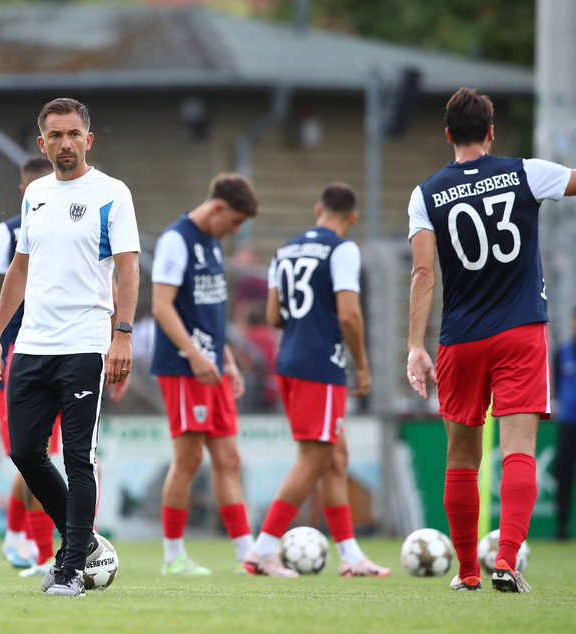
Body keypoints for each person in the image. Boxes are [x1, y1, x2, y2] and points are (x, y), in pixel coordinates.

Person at [407, 87, 576, 593]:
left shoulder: (426, 194)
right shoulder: (526, 172)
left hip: (459, 339)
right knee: (519, 448)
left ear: (447, 135)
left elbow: (422, 273)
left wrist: (415, 346)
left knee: (461, 456)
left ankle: (466, 572)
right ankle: (506, 561)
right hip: (521, 330)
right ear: (491, 132)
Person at [0, 97, 140, 597]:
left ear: (88, 140)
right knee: (24, 450)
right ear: (41, 142)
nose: (65, 143)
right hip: (30, 343)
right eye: (56, 135)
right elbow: (19, 269)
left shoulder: (112, 193)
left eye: (74, 134)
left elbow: (130, 268)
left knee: (77, 456)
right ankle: (85, 540)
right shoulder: (36, 196)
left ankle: (69, 566)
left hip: (85, 343)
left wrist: (123, 334)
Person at [242, 183, 390, 578]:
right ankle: (262, 551)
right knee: (313, 460)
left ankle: (351, 556)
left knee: (335, 458)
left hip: (289, 361)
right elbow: (350, 316)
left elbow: (273, 317)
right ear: (352, 218)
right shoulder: (343, 249)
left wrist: (303, 325)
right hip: (321, 365)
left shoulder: (284, 250)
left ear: (317, 210)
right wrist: (361, 365)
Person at [150, 173, 258, 575]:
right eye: (233, 222)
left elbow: (209, 313)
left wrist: (226, 358)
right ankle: (172, 556)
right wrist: (194, 355)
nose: (233, 231)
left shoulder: (212, 242)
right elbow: (162, 306)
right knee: (189, 458)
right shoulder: (175, 241)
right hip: (182, 367)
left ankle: (247, 555)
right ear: (217, 208)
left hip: (211, 366)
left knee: (229, 458)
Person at [0, 156, 61, 571]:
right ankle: (29, 546)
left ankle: (23, 541)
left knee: (42, 454)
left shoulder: (66, 227)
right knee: (31, 454)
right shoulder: (8, 234)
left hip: (58, 350)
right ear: (25, 192)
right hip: (16, 355)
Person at [553, 310, 576, 541]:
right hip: (568, 423)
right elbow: (557, 385)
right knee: (564, 474)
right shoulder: (562, 353)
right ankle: (561, 527)